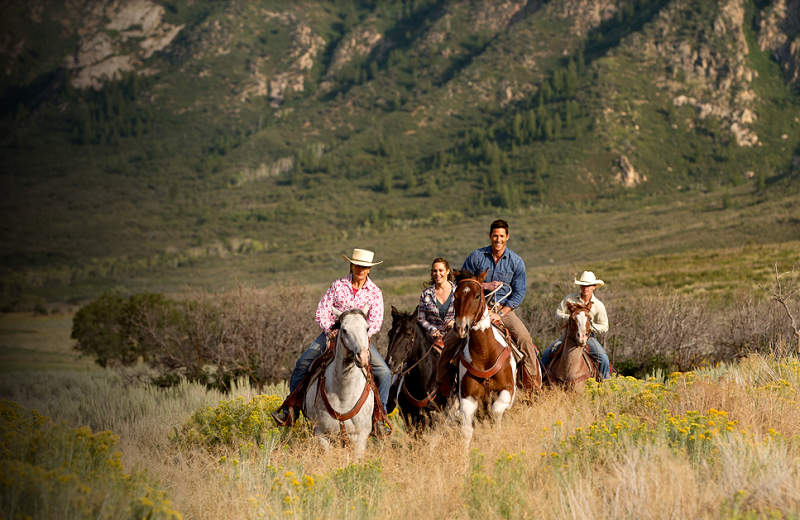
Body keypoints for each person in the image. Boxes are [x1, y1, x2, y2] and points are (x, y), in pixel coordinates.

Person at [272, 248, 391, 425]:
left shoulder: (375, 292)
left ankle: (379, 418)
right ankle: (291, 411)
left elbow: (375, 321)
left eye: (365, 267)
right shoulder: (338, 285)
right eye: (358, 265)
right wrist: (329, 329)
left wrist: (362, 336)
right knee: (303, 363)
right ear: (351, 265)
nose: (361, 270)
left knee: (384, 372)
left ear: (369, 269)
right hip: (332, 335)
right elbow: (322, 311)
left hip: (358, 339)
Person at [436, 219, 538, 395]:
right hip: (475, 310)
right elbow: (462, 284)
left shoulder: (516, 261)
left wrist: (501, 314)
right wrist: (485, 286)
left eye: (502, 236)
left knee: (524, 339)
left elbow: (519, 292)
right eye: (495, 236)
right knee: (449, 342)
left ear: (507, 237)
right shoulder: (476, 257)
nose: (498, 240)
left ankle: (532, 385)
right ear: (489, 236)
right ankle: (441, 387)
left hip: (503, 310)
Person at [540, 271, 611, 379]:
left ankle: (606, 386)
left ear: (594, 286)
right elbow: (558, 314)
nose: (585, 288)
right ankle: (538, 383)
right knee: (546, 354)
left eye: (588, 285)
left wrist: (587, 326)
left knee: (604, 358)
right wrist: (570, 319)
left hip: (588, 338)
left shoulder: (598, 305)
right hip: (568, 336)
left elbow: (605, 326)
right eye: (583, 285)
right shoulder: (570, 298)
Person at [418, 257, 456, 343]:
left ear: (448, 271)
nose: (437, 273)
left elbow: (465, 315)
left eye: (441, 270)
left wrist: (456, 323)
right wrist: (432, 329)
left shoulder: (457, 291)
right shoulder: (426, 294)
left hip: (455, 338)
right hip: (433, 340)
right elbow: (421, 318)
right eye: (435, 271)